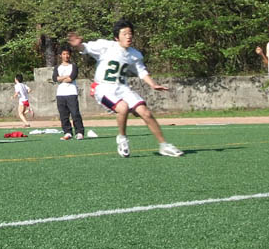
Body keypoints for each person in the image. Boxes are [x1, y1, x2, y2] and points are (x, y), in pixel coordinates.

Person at [68, 20, 183, 158]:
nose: (128, 36)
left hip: (123, 88)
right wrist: (78, 45)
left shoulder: (135, 54)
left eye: (130, 34)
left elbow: (141, 72)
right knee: (123, 107)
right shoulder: (106, 46)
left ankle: (164, 145)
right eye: (124, 34)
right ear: (117, 37)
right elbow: (85, 48)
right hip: (103, 88)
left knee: (145, 112)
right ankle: (122, 138)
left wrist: (153, 84)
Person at [53, 45, 85, 140]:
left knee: (75, 113)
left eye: (67, 54)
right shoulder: (57, 67)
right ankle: (67, 132)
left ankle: (79, 132)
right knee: (63, 115)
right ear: (60, 55)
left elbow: (71, 78)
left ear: (70, 55)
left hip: (72, 93)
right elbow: (55, 78)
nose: (66, 56)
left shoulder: (73, 66)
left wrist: (61, 78)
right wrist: (65, 77)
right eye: (64, 54)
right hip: (60, 94)